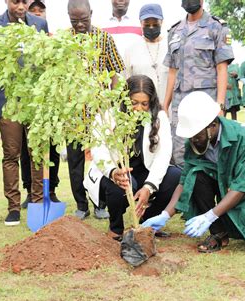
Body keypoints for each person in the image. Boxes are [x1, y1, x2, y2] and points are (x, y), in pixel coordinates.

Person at [142, 92, 245, 257]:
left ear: (212, 125)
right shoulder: (196, 140)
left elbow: (242, 186)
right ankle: (219, 233)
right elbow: (185, 181)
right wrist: (165, 215)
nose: (193, 140)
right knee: (197, 176)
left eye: (196, 135)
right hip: (225, 187)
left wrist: (209, 216)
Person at [0, 0, 48, 226]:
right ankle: (13, 208)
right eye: (15, 1)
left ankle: (37, 204)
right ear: (6, 1)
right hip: (7, 102)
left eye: (24, 1)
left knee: (36, 153)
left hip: (34, 101)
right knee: (11, 155)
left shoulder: (40, 24)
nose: (21, 5)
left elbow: (45, 60)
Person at [84, 75, 181, 239]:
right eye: (134, 102)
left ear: (151, 101)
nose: (139, 108)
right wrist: (113, 171)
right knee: (123, 180)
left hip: (145, 173)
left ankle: (148, 223)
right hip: (116, 173)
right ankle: (116, 229)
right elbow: (99, 151)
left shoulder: (160, 117)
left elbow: (163, 155)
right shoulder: (109, 115)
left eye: (144, 104)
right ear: (125, 99)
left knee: (175, 176)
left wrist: (149, 187)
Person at [67, 0, 125, 220]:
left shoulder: (104, 38)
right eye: (74, 21)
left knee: (103, 161)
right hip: (72, 117)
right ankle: (81, 205)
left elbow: (117, 71)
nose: (80, 24)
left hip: (101, 114)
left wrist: (112, 102)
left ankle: (100, 203)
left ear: (91, 13)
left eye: (84, 19)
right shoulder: (64, 41)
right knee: (75, 163)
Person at [163, 0, 234, 168]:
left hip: (207, 103)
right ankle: (186, 192)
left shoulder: (217, 27)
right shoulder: (174, 31)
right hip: (180, 104)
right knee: (180, 152)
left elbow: (221, 68)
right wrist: (165, 105)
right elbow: (172, 70)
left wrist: (221, 106)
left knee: (211, 151)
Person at [20, 0, 60, 209]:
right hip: (27, 104)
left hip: (48, 104)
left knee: (51, 147)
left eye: (40, 10)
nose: (37, 14)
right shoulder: (21, 40)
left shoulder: (53, 40)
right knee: (27, 150)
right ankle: (30, 190)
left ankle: (51, 189)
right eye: (32, 10)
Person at [124, 4, 168, 102]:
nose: (151, 27)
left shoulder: (170, 47)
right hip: (141, 109)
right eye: (147, 25)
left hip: (167, 109)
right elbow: (126, 82)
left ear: (162, 22)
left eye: (155, 24)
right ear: (141, 23)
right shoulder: (131, 49)